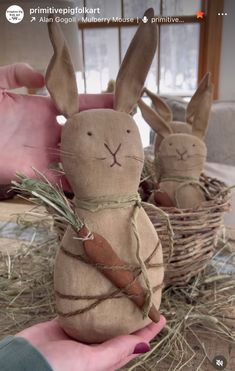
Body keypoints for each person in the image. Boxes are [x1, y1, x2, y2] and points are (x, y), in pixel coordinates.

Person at [0, 64, 166, 370]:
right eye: (89, 135)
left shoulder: (134, 212)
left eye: (127, 133)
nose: (114, 147)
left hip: (137, 307)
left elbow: (151, 257)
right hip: (81, 320)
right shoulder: (81, 220)